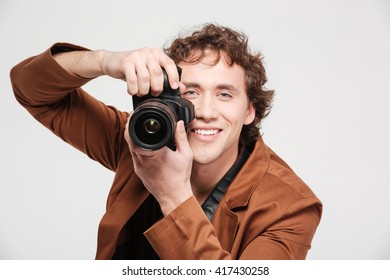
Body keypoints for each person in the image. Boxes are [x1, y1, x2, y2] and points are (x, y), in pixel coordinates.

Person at [10, 23, 322, 260]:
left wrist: (173, 196)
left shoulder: (291, 207)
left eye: (225, 94)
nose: (205, 112)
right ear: (169, 98)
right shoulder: (140, 143)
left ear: (249, 111)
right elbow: (31, 90)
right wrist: (106, 62)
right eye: (190, 92)